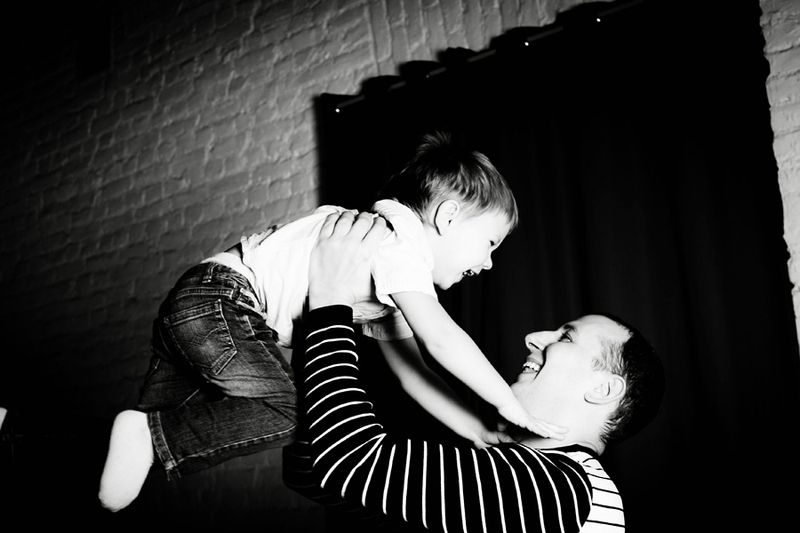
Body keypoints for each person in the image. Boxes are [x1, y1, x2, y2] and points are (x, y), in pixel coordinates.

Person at [98, 132, 566, 512]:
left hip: (200, 307)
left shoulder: (388, 276)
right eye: (490, 243)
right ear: (447, 217)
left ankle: (133, 447)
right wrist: (509, 404)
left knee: (143, 442)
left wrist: (477, 430)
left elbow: (412, 373)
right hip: (222, 301)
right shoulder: (396, 242)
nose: (488, 263)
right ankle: (146, 437)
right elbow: (441, 337)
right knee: (290, 412)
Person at [288, 210, 665, 532]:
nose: (534, 338)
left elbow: (347, 461)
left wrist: (330, 297)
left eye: (566, 337)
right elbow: (311, 470)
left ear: (604, 389)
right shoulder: (532, 480)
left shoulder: (556, 488)